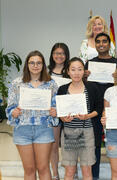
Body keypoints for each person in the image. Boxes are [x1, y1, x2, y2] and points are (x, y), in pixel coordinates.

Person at [6, 50, 58, 180]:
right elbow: (10, 107)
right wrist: (14, 112)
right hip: (23, 130)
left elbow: (56, 106)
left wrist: (55, 111)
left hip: (43, 129)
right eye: (32, 63)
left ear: (43, 65)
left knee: (43, 168)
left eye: (39, 63)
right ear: (27, 65)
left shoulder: (51, 84)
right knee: (29, 169)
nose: (35, 66)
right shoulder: (16, 83)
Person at [57, 57, 102, 180]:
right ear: (68, 71)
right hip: (68, 133)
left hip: (87, 132)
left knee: (87, 171)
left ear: (84, 71)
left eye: (80, 69)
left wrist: (87, 116)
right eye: (73, 69)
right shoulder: (62, 89)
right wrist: (63, 118)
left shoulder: (92, 88)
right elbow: (59, 111)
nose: (76, 73)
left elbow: (99, 108)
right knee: (70, 171)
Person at [84, 32, 117, 180]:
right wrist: (84, 76)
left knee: (115, 143)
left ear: (109, 44)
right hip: (94, 109)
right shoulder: (89, 63)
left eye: (104, 41)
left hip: (114, 108)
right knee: (95, 144)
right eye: (98, 42)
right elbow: (83, 85)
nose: (101, 44)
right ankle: (95, 176)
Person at [48, 42, 70, 180]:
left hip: (69, 113)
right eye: (56, 53)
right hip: (54, 114)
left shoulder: (71, 70)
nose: (59, 56)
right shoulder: (46, 72)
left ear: (66, 55)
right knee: (54, 145)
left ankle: (72, 172)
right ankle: (55, 174)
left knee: (70, 146)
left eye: (62, 53)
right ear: (52, 55)